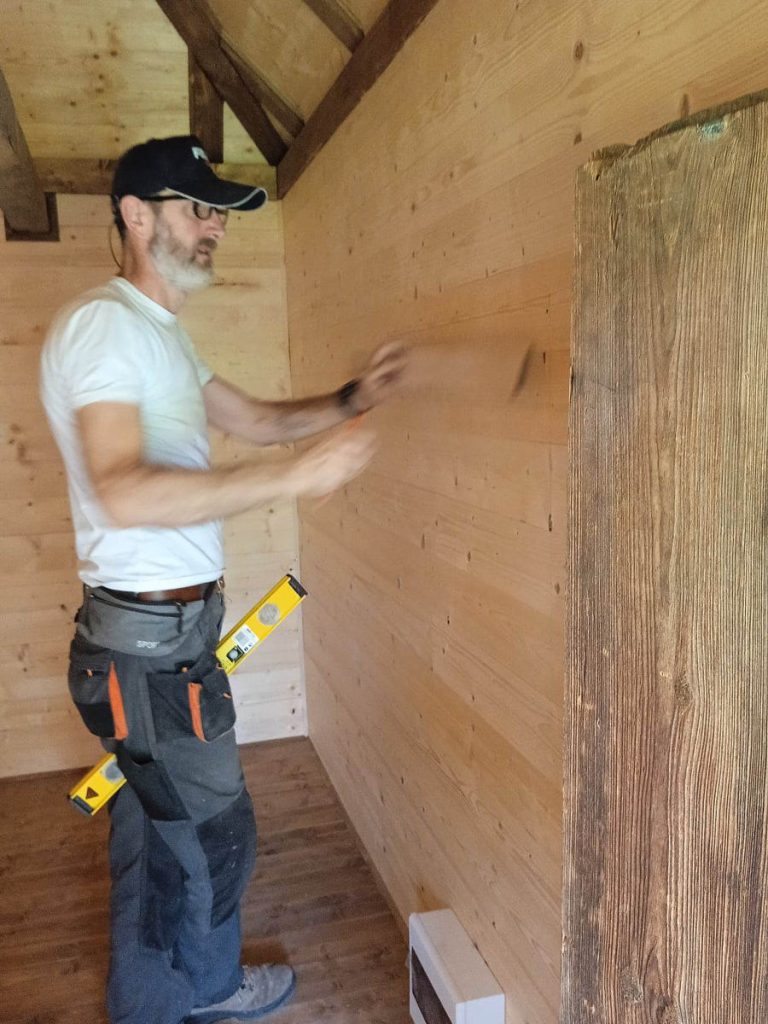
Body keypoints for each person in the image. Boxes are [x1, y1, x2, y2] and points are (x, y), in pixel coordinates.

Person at [39, 135, 406, 1024]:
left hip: (163, 647)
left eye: (218, 214)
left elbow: (251, 418)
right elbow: (123, 489)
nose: (215, 229)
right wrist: (297, 481)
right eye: (197, 208)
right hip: (150, 656)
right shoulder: (103, 326)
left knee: (158, 831)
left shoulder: (161, 335)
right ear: (135, 214)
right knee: (210, 840)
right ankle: (194, 997)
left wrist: (350, 399)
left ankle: (152, 992)